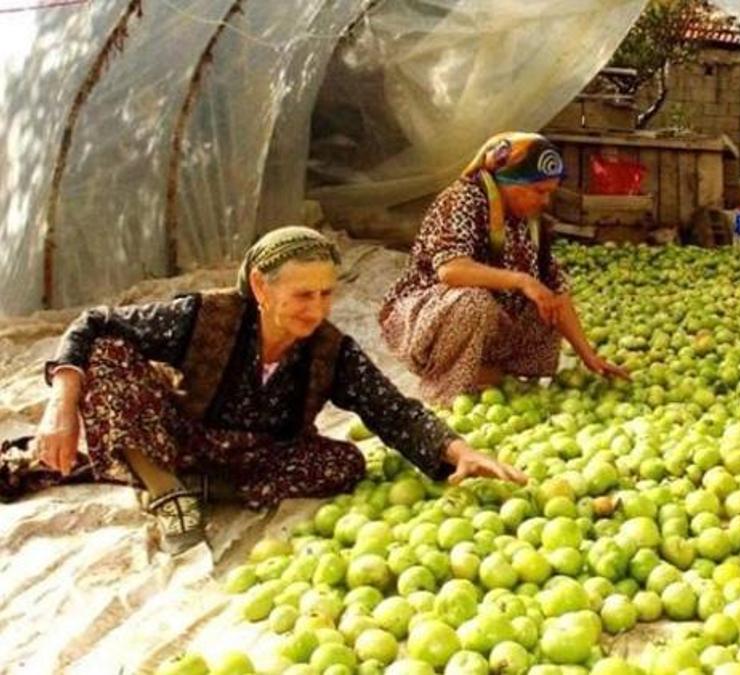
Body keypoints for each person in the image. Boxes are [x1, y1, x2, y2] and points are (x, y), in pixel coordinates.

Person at [0, 226, 524, 553]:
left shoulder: (330, 349)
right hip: (180, 430)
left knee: (344, 464)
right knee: (110, 355)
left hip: (256, 457)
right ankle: (165, 491)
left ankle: (188, 484)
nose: (316, 309)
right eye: (302, 295)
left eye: (326, 294)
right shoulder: (204, 316)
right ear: (259, 287)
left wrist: (458, 451)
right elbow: (93, 325)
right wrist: (60, 406)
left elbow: (391, 409)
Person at [378, 132, 628, 404]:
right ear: (508, 181)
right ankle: (446, 388)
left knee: (545, 300)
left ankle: (493, 372)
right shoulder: (463, 200)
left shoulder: (530, 221)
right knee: (473, 302)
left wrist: (588, 356)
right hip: (429, 318)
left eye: (550, 193)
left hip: (492, 318)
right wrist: (521, 280)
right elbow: (451, 269)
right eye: (539, 191)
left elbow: (556, 289)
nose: (545, 201)